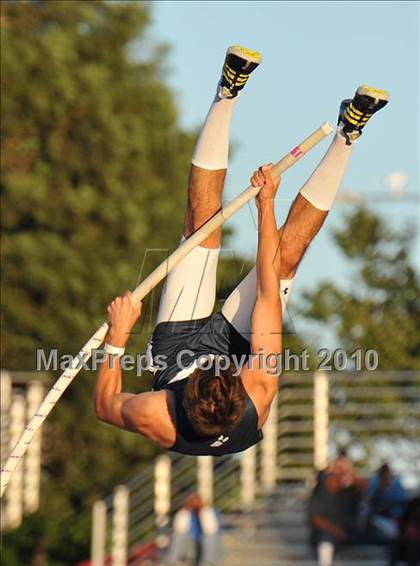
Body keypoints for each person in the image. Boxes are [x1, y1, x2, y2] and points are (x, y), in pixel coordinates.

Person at [93, 45, 389, 456]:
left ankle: (226, 94)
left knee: (202, 225)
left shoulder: (158, 415)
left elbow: (106, 406)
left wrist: (118, 336)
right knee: (287, 259)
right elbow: (268, 284)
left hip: (175, 352)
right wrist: (266, 206)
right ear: (238, 381)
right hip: (237, 355)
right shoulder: (259, 386)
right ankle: (347, 134)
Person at [163, 493, 223, 566]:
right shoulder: (185, 513)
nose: (195, 504)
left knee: (209, 538)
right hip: (190, 543)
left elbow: (211, 529)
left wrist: (204, 513)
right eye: (192, 502)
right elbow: (179, 529)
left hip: (204, 542)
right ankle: (173, 562)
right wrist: (186, 512)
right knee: (178, 536)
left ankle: (207, 563)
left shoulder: (208, 511)